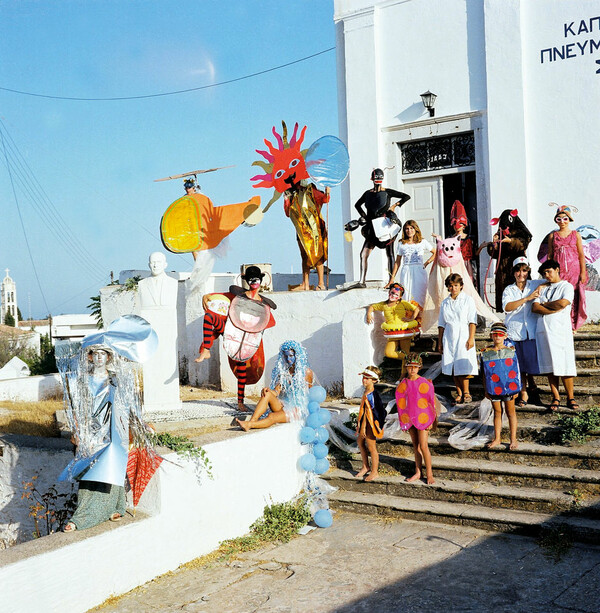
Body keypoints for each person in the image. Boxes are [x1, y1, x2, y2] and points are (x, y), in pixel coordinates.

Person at [197, 265, 276, 411]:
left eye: (256, 279)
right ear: (246, 280)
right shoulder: (237, 295)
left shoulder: (263, 305)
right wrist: (206, 296)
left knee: (242, 371)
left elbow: (266, 323)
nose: (254, 282)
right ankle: (206, 349)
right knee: (210, 317)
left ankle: (240, 402)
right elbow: (218, 299)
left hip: (245, 338)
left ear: (260, 281)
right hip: (230, 331)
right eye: (251, 279)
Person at [532, 259, 578, 411]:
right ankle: (556, 396)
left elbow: (563, 303)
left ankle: (570, 397)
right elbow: (535, 307)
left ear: (557, 269)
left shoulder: (566, 286)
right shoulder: (543, 288)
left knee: (564, 364)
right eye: (544, 273)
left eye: (549, 271)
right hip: (544, 330)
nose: (547, 275)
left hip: (560, 331)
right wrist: (548, 308)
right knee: (550, 365)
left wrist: (544, 304)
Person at [237, 340, 314, 431]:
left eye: (291, 356)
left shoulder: (306, 372)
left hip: (298, 409)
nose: (288, 359)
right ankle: (252, 421)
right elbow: (277, 391)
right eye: (285, 356)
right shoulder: (284, 372)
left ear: (297, 356)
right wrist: (268, 390)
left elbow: (311, 394)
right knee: (267, 394)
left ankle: (250, 425)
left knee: (272, 416)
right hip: (284, 405)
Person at [352, 168, 411, 286]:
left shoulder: (387, 192)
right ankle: (362, 281)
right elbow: (357, 205)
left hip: (385, 227)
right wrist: (364, 217)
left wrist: (394, 205)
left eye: (379, 178)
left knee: (390, 254)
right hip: (372, 228)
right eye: (376, 178)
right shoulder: (368, 194)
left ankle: (391, 281)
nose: (377, 180)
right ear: (372, 179)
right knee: (363, 254)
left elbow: (406, 196)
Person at [502, 257, 545, 406]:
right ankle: (524, 393)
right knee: (519, 365)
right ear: (513, 272)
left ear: (528, 271)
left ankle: (531, 385)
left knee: (530, 363)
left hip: (531, 330)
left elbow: (550, 281)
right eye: (518, 270)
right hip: (515, 331)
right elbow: (507, 307)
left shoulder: (534, 284)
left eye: (525, 270)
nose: (521, 274)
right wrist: (527, 298)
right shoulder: (509, 289)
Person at [395, 353, 438, 484]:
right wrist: (404, 420)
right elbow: (401, 402)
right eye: (409, 367)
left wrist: (432, 420)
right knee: (415, 446)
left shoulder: (425, 383)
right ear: (406, 367)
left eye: (415, 367)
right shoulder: (403, 384)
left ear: (419, 367)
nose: (412, 369)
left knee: (424, 445)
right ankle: (418, 472)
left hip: (423, 418)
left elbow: (431, 402)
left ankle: (429, 473)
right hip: (410, 417)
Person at [437, 273, 478, 405]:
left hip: (463, 333)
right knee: (452, 365)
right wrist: (440, 342)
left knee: (462, 363)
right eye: (451, 286)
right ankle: (459, 392)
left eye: (456, 285)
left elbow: (472, 320)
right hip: (449, 335)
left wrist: (471, 338)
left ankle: (466, 392)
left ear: (461, 286)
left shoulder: (468, 300)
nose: (453, 288)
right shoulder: (445, 303)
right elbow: (441, 324)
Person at [481, 209, 532, 312]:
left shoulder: (520, 232)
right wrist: (493, 244)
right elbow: (495, 254)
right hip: (503, 269)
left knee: (521, 289)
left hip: (518, 266)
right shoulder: (500, 234)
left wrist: (511, 241)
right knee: (505, 293)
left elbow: (523, 244)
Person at [284, 182, 330, 291]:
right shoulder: (292, 193)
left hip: (314, 229)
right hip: (301, 230)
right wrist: (286, 199)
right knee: (304, 256)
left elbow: (324, 199)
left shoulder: (311, 190)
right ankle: (305, 283)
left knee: (317, 254)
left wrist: (327, 190)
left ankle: (321, 283)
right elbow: (287, 212)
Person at [547, 204, 587, 330]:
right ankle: (562, 323)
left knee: (574, 297)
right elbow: (550, 256)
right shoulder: (552, 236)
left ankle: (573, 325)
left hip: (574, 270)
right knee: (560, 295)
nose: (562, 222)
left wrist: (583, 272)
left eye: (565, 218)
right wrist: (548, 272)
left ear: (569, 219)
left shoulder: (576, 235)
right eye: (559, 219)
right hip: (559, 271)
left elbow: (581, 255)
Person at [481, 323, 521, 450]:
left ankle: (513, 439)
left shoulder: (511, 352)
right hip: (494, 387)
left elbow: (516, 371)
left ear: (505, 336)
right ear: (491, 336)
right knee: (497, 412)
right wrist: (486, 389)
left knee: (511, 412)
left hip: (509, 388)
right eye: (495, 334)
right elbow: (484, 373)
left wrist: (517, 388)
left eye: (500, 334)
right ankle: (497, 438)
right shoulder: (486, 353)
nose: (497, 336)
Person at [366, 283, 420, 374]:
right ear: (389, 293)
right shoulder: (383, 305)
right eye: (392, 293)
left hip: (404, 332)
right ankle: (408, 358)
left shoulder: (403, 303)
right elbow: (372, 306)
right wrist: (368, 314)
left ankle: (402, 376)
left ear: (399, 297)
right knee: (388, 352)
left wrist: (411, 318)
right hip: (392, 333)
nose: (393, 295)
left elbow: (416, 309)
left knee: (405, 351)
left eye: (396, 295)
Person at [385, 219, 435, 306]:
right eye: (407, 229)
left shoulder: (422, 241)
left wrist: (427, 263)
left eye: (411, 228)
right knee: (407, 294)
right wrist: (392, 279)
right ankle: (408, 316)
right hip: (406, 269)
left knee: (420, 293)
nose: (409, 231)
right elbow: (397, 262)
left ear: (416, 229)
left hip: (419, 270)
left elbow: (436, 252)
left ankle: (420, 316)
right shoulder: (401, 243)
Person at [355, 366, 385, 482]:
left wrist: (367, 426)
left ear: (374, 380)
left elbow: (377, 412)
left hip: (371, 424)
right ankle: (365, 466)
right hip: (364, 422)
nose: (364, 380)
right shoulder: (366, 391)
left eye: (367, 378)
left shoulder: (373, 395)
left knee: (372, 447)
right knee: (360, 442)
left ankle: (374, 471)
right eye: (363, 377)